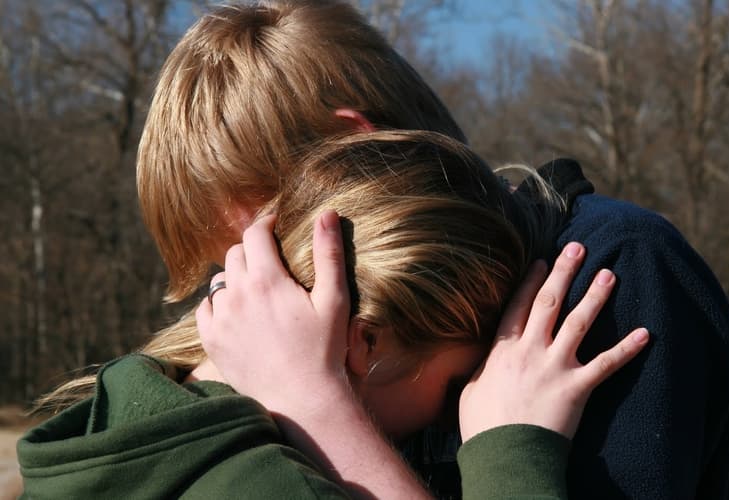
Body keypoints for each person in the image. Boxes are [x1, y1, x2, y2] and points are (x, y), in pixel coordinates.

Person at [30, 1, 729, 498]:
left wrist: (318, 405)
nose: (253, 299)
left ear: (354, 150)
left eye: (261, 247)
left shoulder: (609, 275)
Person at [17, 131, 650, 499]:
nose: (468, 403)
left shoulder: (119, 413)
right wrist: (510, 451)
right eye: (461, 382)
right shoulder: (264, 486)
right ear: (364, 341)